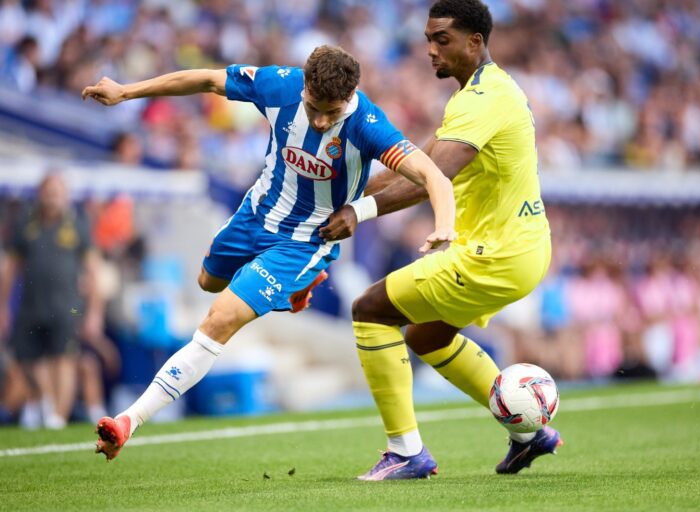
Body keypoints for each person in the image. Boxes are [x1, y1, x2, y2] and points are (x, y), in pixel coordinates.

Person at [81, 45, 456, 460]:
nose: (319, 120)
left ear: (349, 97)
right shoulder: (280, 85)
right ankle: (297, 288)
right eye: (313, 106)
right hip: (255, 215)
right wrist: (126, 92)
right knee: (208, 282)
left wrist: (444, 225)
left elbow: (433, 175)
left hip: (305, 240)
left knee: (220, 318)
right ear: (305, 86)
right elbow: (206, 78)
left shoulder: (368, 125)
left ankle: (128, 421)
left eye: (331, 112)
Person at [321, 0, 562, 479]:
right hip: (522, 248)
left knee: (370, 310)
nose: (430, 49)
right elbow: (413, 165)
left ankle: (406, 452)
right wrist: (339, 186)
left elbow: (432, 179)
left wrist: (358, 211)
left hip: (493, 254)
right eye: (428, 39)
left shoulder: (482, 100)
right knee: (427, 335)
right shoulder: (484, 92)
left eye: (443, 40)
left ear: (476, 42)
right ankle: (529, 432)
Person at [0, 173, 104, 429]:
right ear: (40, 193)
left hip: (66, 305)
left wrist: (94, 311)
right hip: (31, 304)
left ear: (66, 195)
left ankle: (58, 416)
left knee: (64, 360)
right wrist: (2, 306)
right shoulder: (26, 224)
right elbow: (10, 267)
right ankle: (45, 404)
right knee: (28, 360)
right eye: (48, 191)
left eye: (58, 191)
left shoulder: (77, 224)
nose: (53, 196)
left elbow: (93, 269)